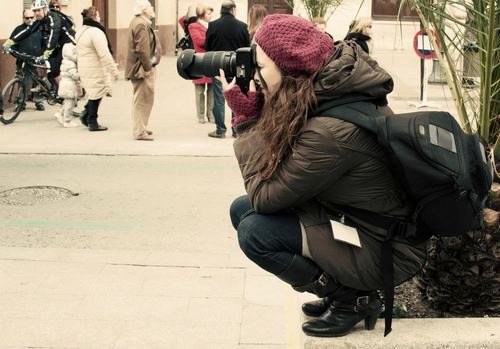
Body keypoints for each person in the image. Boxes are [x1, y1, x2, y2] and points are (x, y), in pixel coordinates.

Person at [223, 14, 426, 337]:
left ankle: (351, 298)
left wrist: (247, 119)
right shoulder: (327, 94)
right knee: (240, 208)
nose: (255, 75)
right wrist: (263, 110)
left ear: (289, 69)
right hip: (358, 221)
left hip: (382, 245)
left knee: (255, 231)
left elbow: (265, 197)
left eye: (260, 67)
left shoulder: (330, 131)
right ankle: (343, 287)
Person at [4, 0, 76, 93]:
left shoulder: (54, 18)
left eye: (38, 10)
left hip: (69, 45)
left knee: (56, 69)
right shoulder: (40, 20)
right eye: (35, 11)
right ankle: (44, 84)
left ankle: (67, 93)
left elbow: (53, 36)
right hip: (58, 47)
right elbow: (28, 31)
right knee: (42, 61)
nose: (36, 13)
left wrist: (46, 54)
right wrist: (10, 41)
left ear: (45, 9)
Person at [204, 0, 250, 138]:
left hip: (218, 66)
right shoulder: (242, 26)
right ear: (233, 10)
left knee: (219, 99)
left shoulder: (213, 25)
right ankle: (236, 129)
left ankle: (220, 130)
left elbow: (207, 47)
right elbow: (246, 48)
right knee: (235, 96)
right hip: (236, 68)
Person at [76, 6, 118, 132]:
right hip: (95, 67)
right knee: (97, 93)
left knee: (95, 92)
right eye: (98, 15)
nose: (100, 18)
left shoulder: (81, 30)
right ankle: (92, 121)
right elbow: (104, 54)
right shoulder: (96, 32)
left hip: (84, 66)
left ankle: (86, 115)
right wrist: (113, 71)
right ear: (94, 17)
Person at [125, 0, 158, 141]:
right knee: (142, 100)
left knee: (142, 99)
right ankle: (139, 131)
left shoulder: (139, 22)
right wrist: (148, 67)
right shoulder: (141, 24)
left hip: (140, 68)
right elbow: (142, 50)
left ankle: (141, 127)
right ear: (144, 10)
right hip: (141, 69)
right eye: (150, 7)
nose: (152, 9)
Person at [180, 4, 215, 124]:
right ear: (202, 15)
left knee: (211, 90)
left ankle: (211, 115)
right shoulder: (193, 26)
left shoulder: (212, 25)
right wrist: (213, 40)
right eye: (209, 13)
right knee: (200, 91)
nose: (211, 16)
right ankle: (200, 116)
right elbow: (199, 41)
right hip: (199, 61)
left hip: (210, 60)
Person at [8, 8, 45, 112]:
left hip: (35, 61)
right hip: (22, 61)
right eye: (27, 18)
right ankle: (21, 103)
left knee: (38, 81)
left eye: (31, 17)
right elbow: (11, 45)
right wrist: (18, 54)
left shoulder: (38, 29)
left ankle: (39, 102)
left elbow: (44, 44)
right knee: (22, 81)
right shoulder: (18, 30)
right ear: (23, 18)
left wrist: (41, 55)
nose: (29, 20)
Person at [55, 43, 82, 127]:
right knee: (70, 104)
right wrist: (81, 75)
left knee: (67, 102)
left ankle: (60, 113)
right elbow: (74, 75)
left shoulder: (65, 61)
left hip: (67, 84)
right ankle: (67, 121)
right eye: (75, 53)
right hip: (69, 85)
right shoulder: (70, 63)